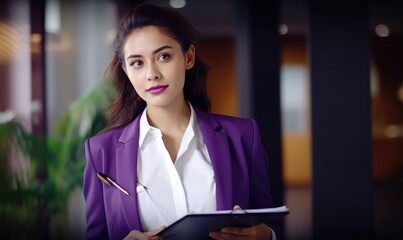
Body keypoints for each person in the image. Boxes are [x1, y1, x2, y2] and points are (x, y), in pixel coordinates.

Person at [83, 2, 279, 240]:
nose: (152, 73)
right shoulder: (101, 151)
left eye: (164, 56)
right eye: (137, 62)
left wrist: (266, 236)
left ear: (188, 57)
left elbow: (266, 223)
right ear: (126, 70)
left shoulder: (243, 136)